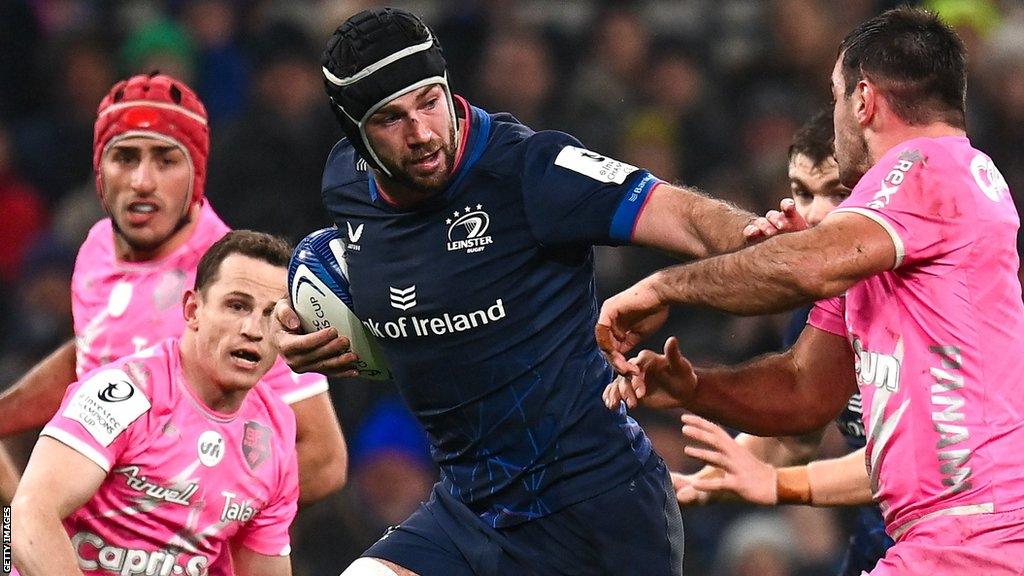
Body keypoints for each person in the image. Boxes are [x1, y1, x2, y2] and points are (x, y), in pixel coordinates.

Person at [272, 7, 790, 576]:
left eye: (428, 101)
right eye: (390, 119)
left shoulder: (530, 171)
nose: (420, 133)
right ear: (354, 132)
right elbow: (363, 280)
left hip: (597, 511)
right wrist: (290, 319)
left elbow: (687, 219)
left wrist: (757, 236)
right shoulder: (346, 184)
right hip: (468, 511)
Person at [598, 7, 1024, 574]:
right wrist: (694, 386)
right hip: (942, 534)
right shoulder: (896, 227)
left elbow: (806, 267)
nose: (836, 118)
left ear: (864, 100)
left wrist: (663, 286)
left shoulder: (929, 168)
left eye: (837, 95)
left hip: (976, 533)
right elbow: (805, 392)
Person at [0, 72, 346, 505]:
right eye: (124, 157)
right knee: (13, 535)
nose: (142, 181)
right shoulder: (96, 248)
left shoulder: (244, 284)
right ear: (99, 172)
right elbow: (94, 356)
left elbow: (323, 459)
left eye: (166, 160)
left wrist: (196, 524)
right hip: (83, 547)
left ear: (196, 173)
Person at [673, 110, 894, 576]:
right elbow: (794, 435)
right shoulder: (818, 310)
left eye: (838, 193)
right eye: (802, 193)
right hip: (882, 542)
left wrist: (776, 483)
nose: (814, 214)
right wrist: (702, 484)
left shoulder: (928, 307)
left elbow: (921, 459)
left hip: (973, 538)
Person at [11, 230, 299, 576]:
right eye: (237, 306)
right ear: (192, 310)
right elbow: (25, 515)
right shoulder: (123, 393)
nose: (254, 329)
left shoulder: (275, 432)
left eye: (272, 315)